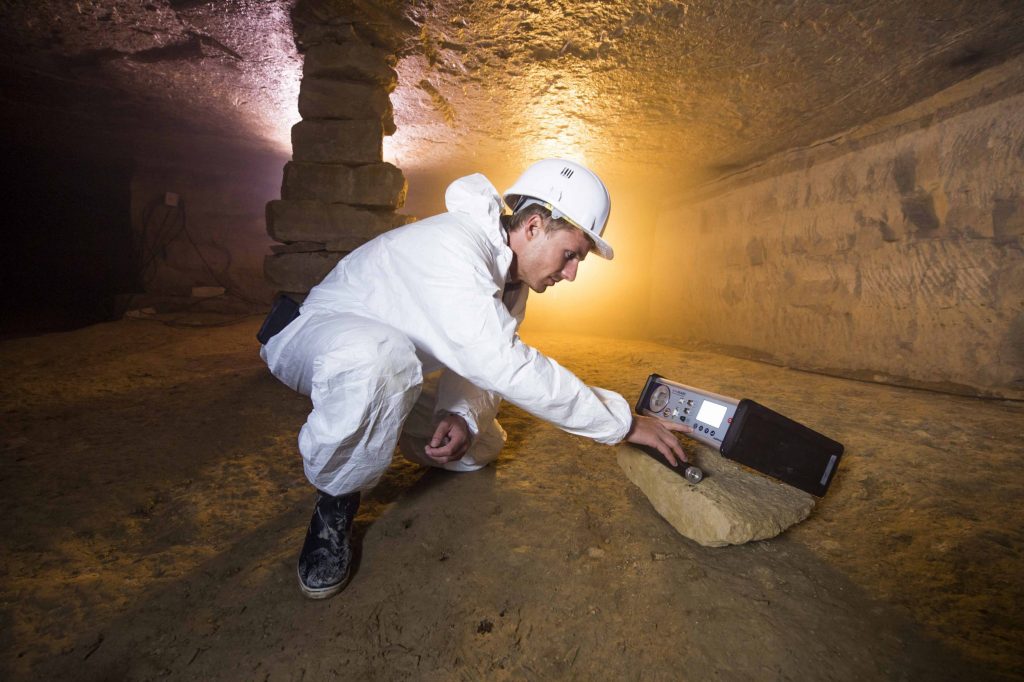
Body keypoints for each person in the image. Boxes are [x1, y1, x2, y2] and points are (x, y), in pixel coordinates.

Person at [260, 158, 692, 599]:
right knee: (380, 359)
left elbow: (482, 360)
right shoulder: (455, 246)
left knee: (478, 448)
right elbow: (503, 362)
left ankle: (373, 422)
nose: (571, 274)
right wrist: (624, 424)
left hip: (387, 369)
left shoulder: (511, 283)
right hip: (315, 339)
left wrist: (461, 415)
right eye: (570, 255)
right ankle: (335, 500)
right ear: (534, 226)